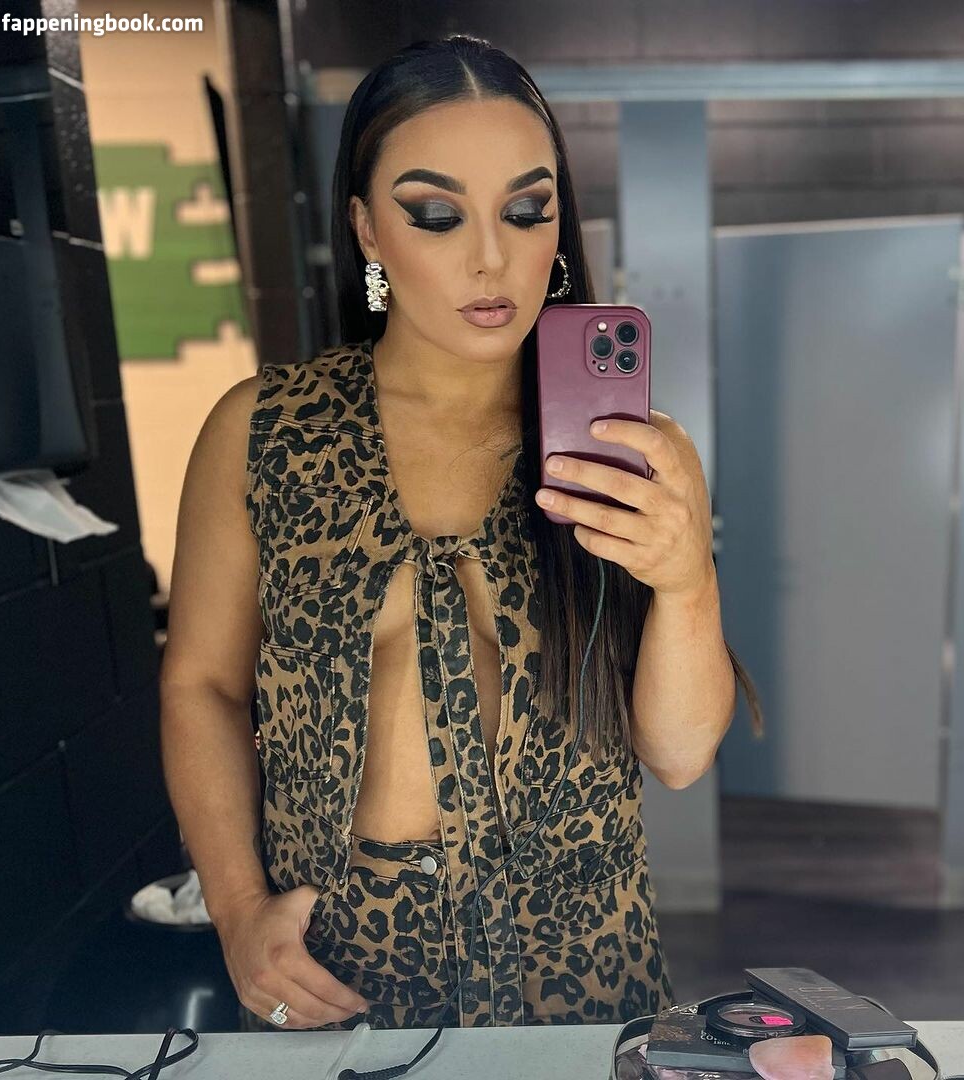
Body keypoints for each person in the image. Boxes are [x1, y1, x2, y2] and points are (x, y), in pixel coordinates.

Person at [159, 34, 763, 1034]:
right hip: (338, 976)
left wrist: (688, 580)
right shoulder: (265, 432)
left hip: (580, 971)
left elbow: (680, 752)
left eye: (527, 210)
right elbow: (202, 686)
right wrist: (235, 910)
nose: (492, 257)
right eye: (436, 215)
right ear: (366, 228)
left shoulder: (627, 449)